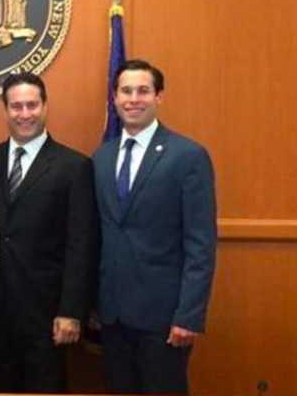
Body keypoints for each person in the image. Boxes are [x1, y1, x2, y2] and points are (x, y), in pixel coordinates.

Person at [0, 72, 98, 393]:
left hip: (47, 315)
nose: (24, 114)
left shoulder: (74, 166)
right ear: (5, 110)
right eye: (16, 106)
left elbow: (81, 245)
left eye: (31, 105)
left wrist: (71, 311)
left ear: (45, 106)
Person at [93, 59, 217, 394]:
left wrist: (188, 315)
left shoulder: (187, 156)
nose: (133, 99)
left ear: (159, 97)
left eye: (143, 91)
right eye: (125, 91)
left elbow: (200, 244)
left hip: (164, 318)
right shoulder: (101, 158)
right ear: (115, 98)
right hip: (113, 317)